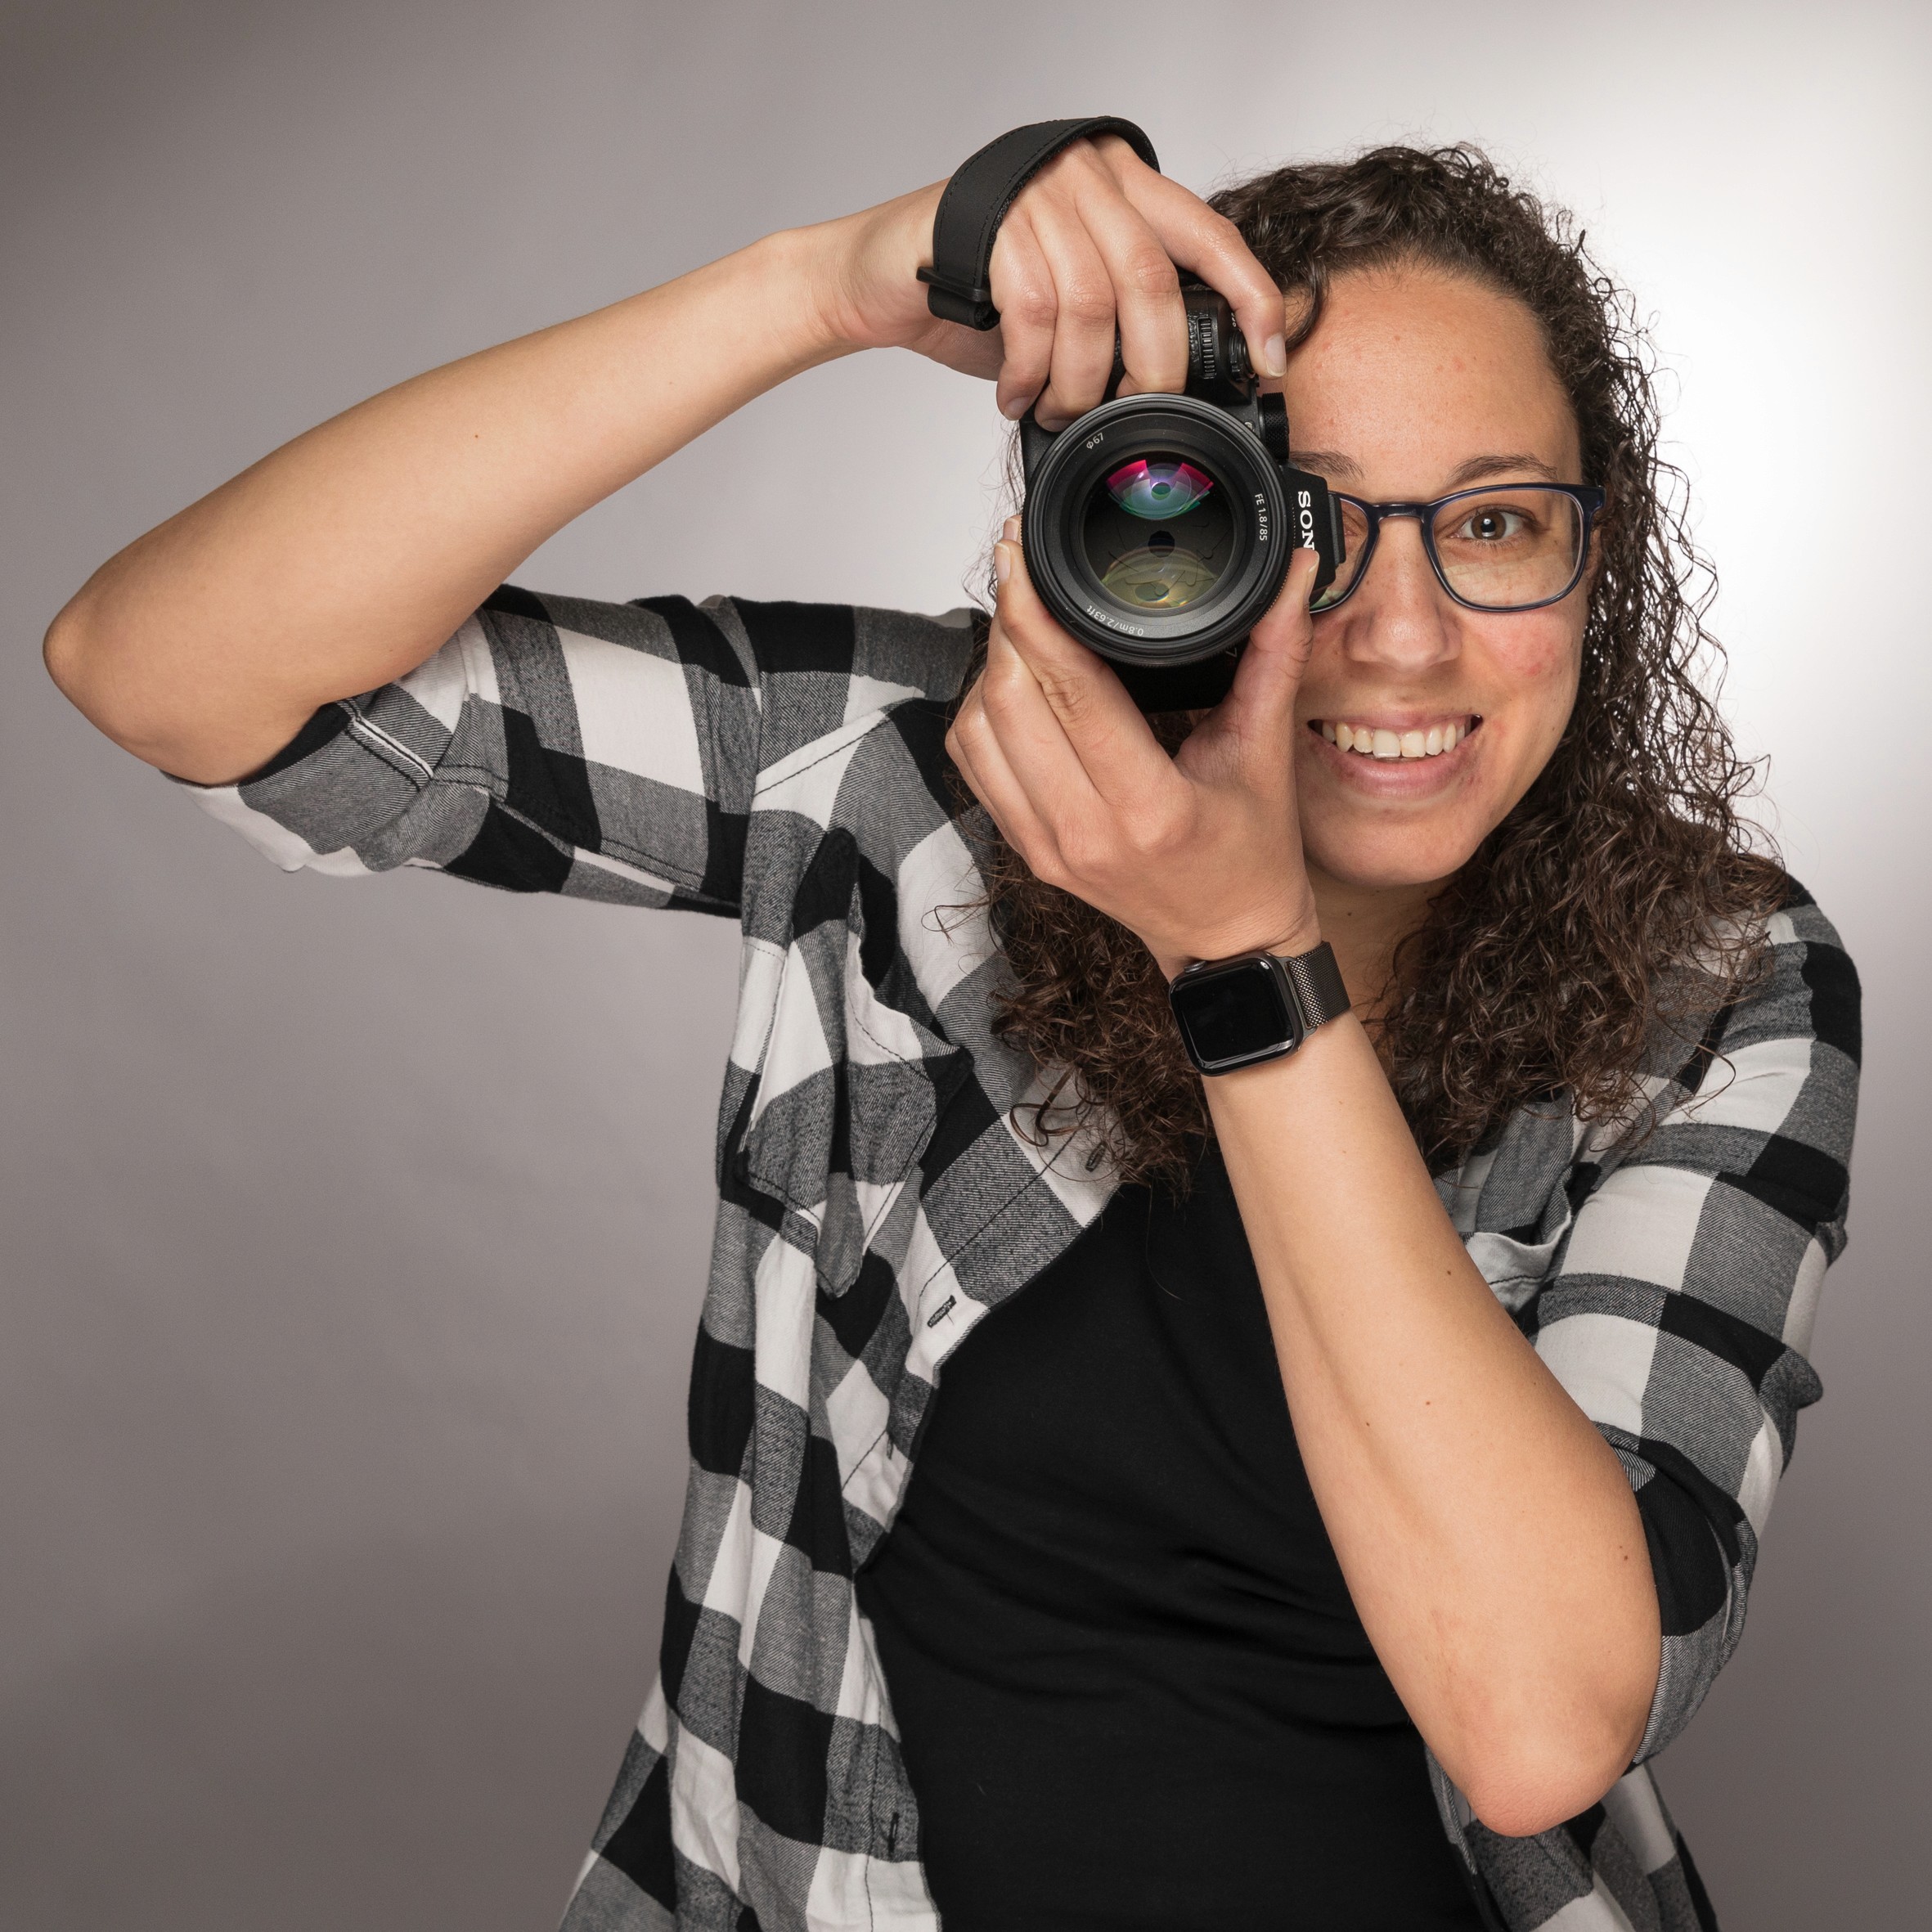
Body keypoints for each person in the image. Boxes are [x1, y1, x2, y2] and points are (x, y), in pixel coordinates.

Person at [43, 133, 1858, 1932]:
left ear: (1590, 562)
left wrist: (1242, 954)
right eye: (1297, 515)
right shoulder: (919, 778)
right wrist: (811, 287)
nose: (1392, 633)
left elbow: (1536, 1720)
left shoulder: (1714, 977)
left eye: (1488, 524)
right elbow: (167, 664)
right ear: (1164, 506)